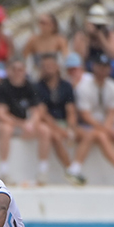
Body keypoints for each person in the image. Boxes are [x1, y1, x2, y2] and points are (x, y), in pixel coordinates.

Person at [69, 54, 114, 187]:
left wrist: (107, 127)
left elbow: (112, 113)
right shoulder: (84, 87)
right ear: (94, 68)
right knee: (99, 135)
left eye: (105, 67)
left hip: (104, 125)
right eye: (99, 67)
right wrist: (105, 129)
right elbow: (85, 115)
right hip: (87, 125)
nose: (102, 71)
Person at [0, 57, 48, 184]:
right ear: (9, 71)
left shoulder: (30, 86)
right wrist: (23, 124)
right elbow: (1, 114)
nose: (18, 73)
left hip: (22, 124)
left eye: (20, 70)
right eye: (14, 69)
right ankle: (4, 171)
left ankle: (42, 172)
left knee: (44, 130)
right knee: (6, 129)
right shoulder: (2, 87)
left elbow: (37, 111)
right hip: (6, 124)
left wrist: (31, 123)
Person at [36, 53, 78, 183]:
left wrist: (70, 128)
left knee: (89, 135)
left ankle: (77, 166)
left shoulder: (66, 86)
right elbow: (42, 113)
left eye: (50, 65)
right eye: (45, 66)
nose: (48, 69)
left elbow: (70, 110)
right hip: (48, 123)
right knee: (55, 136)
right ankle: (70, 169)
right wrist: (59, 129)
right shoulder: (38, 87)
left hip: (63, 122)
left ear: (57, 67)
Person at [72, 4, 114, 70]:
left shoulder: (111, 35)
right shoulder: (81, 36)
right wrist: (87, 38)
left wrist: (100, 37)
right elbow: (80, 59)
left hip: (108, 67)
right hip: (89, 67)